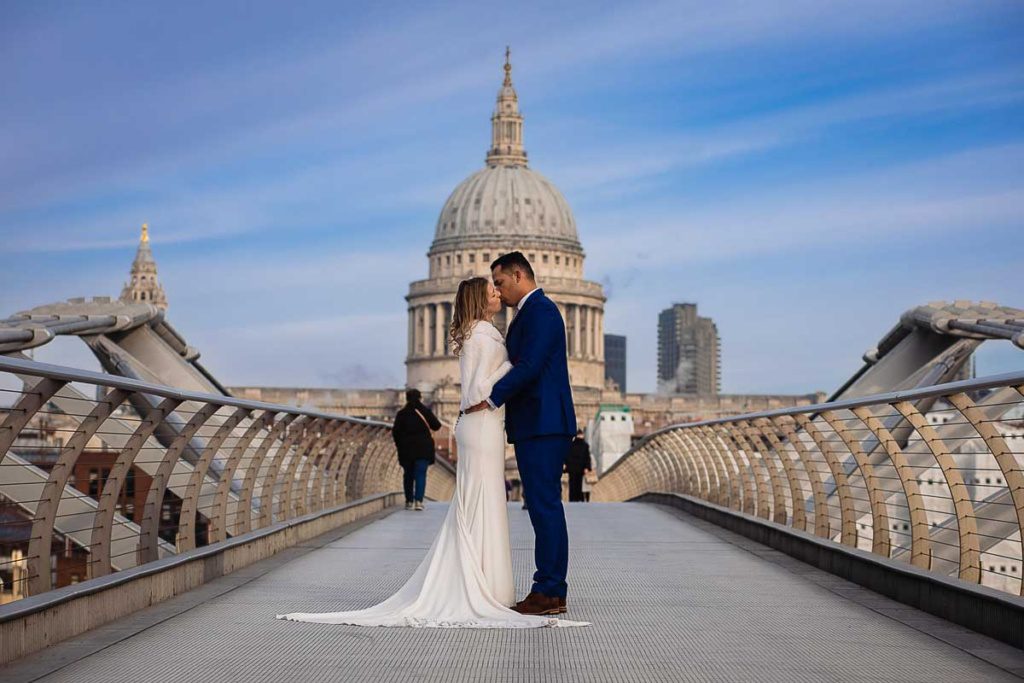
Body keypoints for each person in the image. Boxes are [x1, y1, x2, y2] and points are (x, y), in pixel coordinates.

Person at [276, 276, 587, 629]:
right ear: (479, 299)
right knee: (481, 502)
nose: (498, 293)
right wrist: (514, 369)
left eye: (499, 285)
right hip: (480, 424)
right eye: (492, 290)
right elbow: (478, 391)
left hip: (486, 426)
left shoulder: (485, 332)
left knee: (482, 504)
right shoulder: (480, 337)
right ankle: (484, 585)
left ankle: (487, 584)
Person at [464, 251, 576, 617]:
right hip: (537, 423)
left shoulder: (540, 312)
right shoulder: (529, 313)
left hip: (543, 424)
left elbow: (529, 366)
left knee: (544, 508)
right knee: (544, 508)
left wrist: (491, 398)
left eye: (499, 283)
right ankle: (550, 589)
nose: (497, 291)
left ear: (518, 275)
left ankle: (549, 590)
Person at [391, 389, 441, 511]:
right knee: (420, 474)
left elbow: (395, 432)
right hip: (423, 449)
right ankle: (418, 501)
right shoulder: (425, 411)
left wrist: (399, 446)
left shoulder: (401, 414)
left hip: (406, 449)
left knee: (408, 475)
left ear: (406, 398)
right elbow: (437, 425)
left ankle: (408, 501)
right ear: (420, 398)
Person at [565, 430, 592, 503]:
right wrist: (587, 467)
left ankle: (572, 498)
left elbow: (567, 456)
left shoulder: (571, 445)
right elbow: (587, 457)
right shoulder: (585, 445)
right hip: (581, 468)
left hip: (571, 468)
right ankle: (579, 498)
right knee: (579, 484)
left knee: (572, 484)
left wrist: (566, 465)